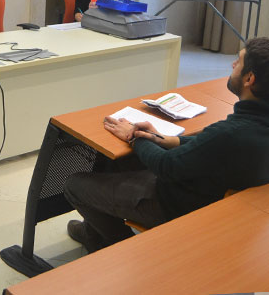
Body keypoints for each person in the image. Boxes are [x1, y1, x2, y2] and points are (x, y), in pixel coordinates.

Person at [64, 37, 269, 253]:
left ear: (249, 78)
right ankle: (93, 232)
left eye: (238, 61)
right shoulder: (252, 126)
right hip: (215, 198)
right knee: (118, 161)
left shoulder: (231, 133)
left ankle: (115, 248)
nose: (232, 64)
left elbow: (167, 166)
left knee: (74, 184)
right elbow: (205, 145)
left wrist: (135, 138)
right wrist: (162, 138)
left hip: (177, 203)